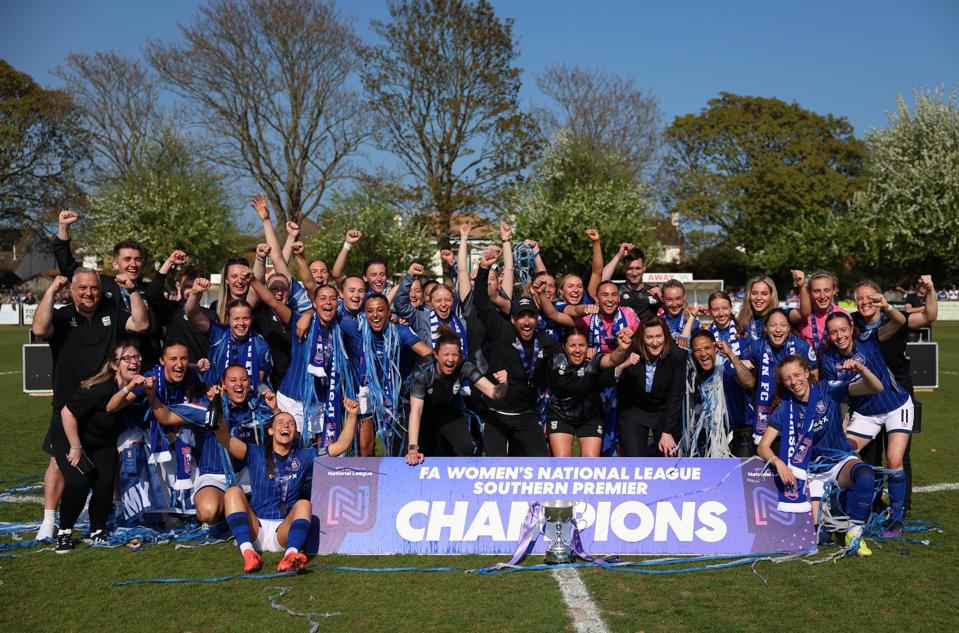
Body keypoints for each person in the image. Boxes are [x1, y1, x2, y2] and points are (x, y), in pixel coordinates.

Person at [32, 270, 149, 541]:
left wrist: (132, 290)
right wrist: (51, 290)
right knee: (59, 466)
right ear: (72, 289)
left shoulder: (111, 313)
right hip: (67, 406)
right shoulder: (61, 317)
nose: (88, 293)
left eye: (94, 288)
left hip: (102, 406)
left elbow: (141, 324)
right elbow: (39, 329)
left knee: (103, 473)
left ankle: (99, 525)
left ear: (101, 289)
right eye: (82, 288)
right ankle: (50, 519)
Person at [758, 355, 884, 557]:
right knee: (818, 536)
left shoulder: (828, 389)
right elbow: (763, 447)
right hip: (812, 472)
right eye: (788, 378)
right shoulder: (785, 408)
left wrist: (862, 371)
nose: (794, 381)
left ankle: (854, 533)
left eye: (797, 374)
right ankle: (828, 518)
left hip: (839, 461)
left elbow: (876, 388)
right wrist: (779, 464)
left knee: (866, 475)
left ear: (807, 373)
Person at [215, 400, 359, 573]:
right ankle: (248, 553)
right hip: (255, 528)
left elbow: (341, 446)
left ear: (295, 433)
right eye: (280, 422)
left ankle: (290, 555)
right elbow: (225, 438)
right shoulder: (255, 452)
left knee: (304, 504)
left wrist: (352, 415)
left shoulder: (305, 456)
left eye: (291, 423)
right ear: (270, 430)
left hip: (283, 531)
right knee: (232, 492)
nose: (286, 426)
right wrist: (217, 408)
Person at [820, 306, 913, 537]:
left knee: (894, 459)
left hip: (896, 405)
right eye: (833, 332)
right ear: (828, 335)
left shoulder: (869, 340)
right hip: (865, 414)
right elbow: (839, 397)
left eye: (843, 329)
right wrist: (841, 423)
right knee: (842, 454)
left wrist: (886, 306)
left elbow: (899, 321)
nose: (839, 335)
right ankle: (842, 513)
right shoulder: (829, 361)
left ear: (852, 328)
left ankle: (896, 519)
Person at [852, 275, 937, 523]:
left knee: (899, 455)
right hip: (867, 398)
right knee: (869, 455)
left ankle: (903, 509)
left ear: (880, 298)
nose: (865, 302)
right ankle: (873, 503)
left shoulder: (895, 318)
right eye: (860, 298)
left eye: (870, 297)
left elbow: (930, 316)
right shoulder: (854, 323)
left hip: (898, 396)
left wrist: (930, 289)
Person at [49, 342, 146, 552]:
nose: (133, 362)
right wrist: (75, 446)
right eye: (126, 359)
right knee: (79, 482)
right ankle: (64, 532)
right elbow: (67, 413)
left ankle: (98, 529)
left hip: (102, 442)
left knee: (104, 482)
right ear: (114, 365)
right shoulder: (99, 387)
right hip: (70, 437)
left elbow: (118, 404)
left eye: (136, 357)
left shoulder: (133, 386)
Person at [148, 365, 275, 524]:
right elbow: (166, 417)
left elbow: (285, 432)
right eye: (233, 380)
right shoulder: (209, 406)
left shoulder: (258, 407)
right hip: (215, 474)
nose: (239, 384)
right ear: (223, 383)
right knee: (208, 513)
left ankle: (236, 509)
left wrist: (275, 408)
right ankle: (227, 509)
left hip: (247, 473)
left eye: (244, 380)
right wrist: (151, 394)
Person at [52, 210, 161, 366]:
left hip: (147, 363)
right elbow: (68, 267)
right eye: (127, 259)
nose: (133, 264)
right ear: (116, 264)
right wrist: (63, 228)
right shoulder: (102, 284)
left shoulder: (148, 290)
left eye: (137, 259)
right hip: (113, 366)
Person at [472, 250, 555, 457]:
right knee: (497, 467)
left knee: (540, 463)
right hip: (496, 414)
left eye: (531, 317)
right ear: (513, 319)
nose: (526, 322)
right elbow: (481, 302)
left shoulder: (544, 340)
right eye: (521, 317)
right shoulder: (501, 330)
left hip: (526, 415)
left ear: (537, 320)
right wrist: (483, 269)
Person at [405, 328, 508, 463]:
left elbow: (495, 394)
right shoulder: (423, 371)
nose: (451, 360)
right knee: (423, 452)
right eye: (446, 354)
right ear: (435, 354)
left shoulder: (465, 367)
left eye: (455, 355)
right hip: (422, 412)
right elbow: (416, 410)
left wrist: (504, 384)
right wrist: (412, 448)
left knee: (465, 447)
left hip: (447, 409)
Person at [353, 293, 432, 455]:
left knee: (394, 445)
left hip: (394, 394)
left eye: (380, 310)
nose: (375, 315)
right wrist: (309, 314)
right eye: (370, 311)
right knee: (365, 446)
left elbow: (428, 354)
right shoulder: (356, 329)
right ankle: (367, 479)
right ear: (364, 313)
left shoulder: (400, 331)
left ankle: (394, 477)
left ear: (389, 312)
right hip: (366, 392)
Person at [542, 327, 632, 458]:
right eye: (572, 345)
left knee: (590, 462)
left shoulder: (594, 359)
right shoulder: (553, 360)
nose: (577, 350)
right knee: (561, 460)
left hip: (591, 417)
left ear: (587, 346)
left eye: (582, 345)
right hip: (560, 415)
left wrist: (622, 348)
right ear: (564, 347)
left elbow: (612, 360)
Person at [615, 316, 688, 457]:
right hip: (634, 409)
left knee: (669, 455)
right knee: (635, 460)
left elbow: (675, 395)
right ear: (642, 338)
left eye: (659, 336)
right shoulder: (631, 350)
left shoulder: (677, 355)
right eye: (649, 337)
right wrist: (623, 365)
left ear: (666, 336)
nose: (655, 342)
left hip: (663, 410)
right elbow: (606, 379)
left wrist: (667, 432)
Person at [744, 308, 818, 445]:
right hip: (765, 415)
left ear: (789, 327)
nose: (778, 330)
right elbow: (745, 373)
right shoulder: (756, 347)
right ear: (765, 328)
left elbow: (814, 377)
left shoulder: (801, 346)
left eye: (783, 325)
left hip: (795, 412)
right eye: (773, 325)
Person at [185, 277, 272, 390]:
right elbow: (191, 313)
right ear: (228, 319)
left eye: (245, 318)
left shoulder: (260, 344)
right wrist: (195, 293)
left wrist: (265, 392)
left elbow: (258, 382)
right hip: (214, 397)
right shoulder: (218, 333)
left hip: (247, 399)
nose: (241, 323)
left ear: (252, 319)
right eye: (236, 319)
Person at [687, 330, 756, 457]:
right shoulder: (693, 374)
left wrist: (731, 354)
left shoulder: (727, 366)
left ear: (715, 347)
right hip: (711, 434)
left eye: (707, 348)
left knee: (740, 476)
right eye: (697, 350)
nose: (703, 354)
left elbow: (749, 383)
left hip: (739, 432)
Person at [146, 250, 214, 362]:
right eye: (188, 286)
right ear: (178, 286)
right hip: (174, 374)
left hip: (202, 374)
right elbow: (151, 294)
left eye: (196, 286)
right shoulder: (171, 310)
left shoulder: (210, 315)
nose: (193, 291)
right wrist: (170, 261)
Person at [601, 243, 661, 320]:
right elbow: (601, 281)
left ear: (644, 268)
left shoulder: (654, 293)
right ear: (624, 268)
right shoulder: (617, 291)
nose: (634, 273)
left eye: (638, 268)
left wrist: (661, 298)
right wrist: (619, 255)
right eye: (630, 268)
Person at [797, 270, 849, 356]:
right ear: (809, 292)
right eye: (817, 291)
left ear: (835, 290)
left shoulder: (844, 315)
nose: (822, 296)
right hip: (808, 367)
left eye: (827, 290)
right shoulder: (801, 315)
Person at [736, 275, 781, 342]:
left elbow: (802, 313)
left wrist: (801, 287)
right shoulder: (741, 320)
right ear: (749, 295)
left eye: (764, 294)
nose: (759, 298)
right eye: (754, 293)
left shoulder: (782, 317)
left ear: (771, 296)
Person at [659, 279, 699, 347]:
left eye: (678, 298)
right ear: (663, 299)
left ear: (684, 298)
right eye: (669, 299)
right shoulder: (658, 322)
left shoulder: (694, 323)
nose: (674, 304)